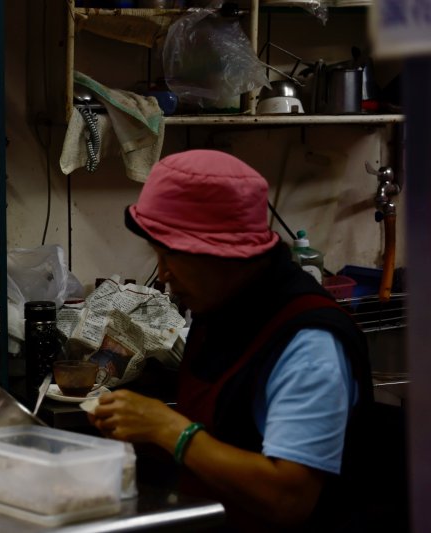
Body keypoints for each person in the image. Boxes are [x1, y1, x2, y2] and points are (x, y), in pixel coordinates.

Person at [89, 150, 374, 531]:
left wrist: (168, 429)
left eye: (172, 256)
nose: (164, 274)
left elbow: (288, 498)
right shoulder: (222, 306)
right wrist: (142, 434)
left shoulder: (308, 344)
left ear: (224, 254)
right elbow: (228, 433)